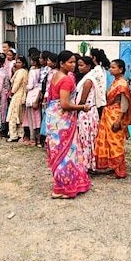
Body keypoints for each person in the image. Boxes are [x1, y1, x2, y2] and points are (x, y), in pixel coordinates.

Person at [45, 50, 92, 198]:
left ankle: (62, 184)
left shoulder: (54, 75)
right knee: (66, 153)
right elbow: (65, 104)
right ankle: (65, 187)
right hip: (62, 120)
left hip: (53, 117)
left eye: (74, 62)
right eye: (70, 62)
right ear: (62, 63)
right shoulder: (66, 79)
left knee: (58, 151)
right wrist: (82, 107)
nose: (73, 65)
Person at [94, 59, 131, 179]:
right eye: (111, 67)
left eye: (113, 67)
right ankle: (113, 167)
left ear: (121, 69)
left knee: (116, 143)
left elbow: (124, 104)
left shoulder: (122, 84)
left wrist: (118, 120)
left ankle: (120, 170)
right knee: (109, 142)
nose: (110, 69)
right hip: (109, 113)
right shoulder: (115, 82)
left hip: (116, 115)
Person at [75, 56, 99, 172]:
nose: (79, 67)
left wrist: (76, 109)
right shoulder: (87, 78)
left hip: (86, 112)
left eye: (81, 65)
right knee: (88, 139)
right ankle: (88, 164)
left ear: (89, 66)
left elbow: (83, 100)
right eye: (78, 65)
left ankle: (86, 164)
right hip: (90, 112)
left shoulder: (88, 80)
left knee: (86, 139)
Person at [7, 56, 29, 143]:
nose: (17, 64)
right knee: (20, 116)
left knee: (13, 115)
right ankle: (21, 134)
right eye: (16, 62)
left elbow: (16, 83)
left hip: (17, 95)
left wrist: (12, 92)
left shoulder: (20, 72)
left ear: (23, 63)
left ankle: (13, 135)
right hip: (23, 95)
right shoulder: (25, 71)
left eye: (19, 62)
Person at [24, 54, 42, 146]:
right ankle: (39, 140)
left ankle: (33, 139)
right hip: (39, 95)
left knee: (32, 119)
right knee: (38, 118)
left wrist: (25, 84)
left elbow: (30, 85)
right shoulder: (43, 71)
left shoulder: (33, 71)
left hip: (32, 96)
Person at [90, 48, 110, 116]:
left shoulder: (96, 70)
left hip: (98, 102)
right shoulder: (102, 69)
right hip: (102, 100)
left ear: (94, 58)